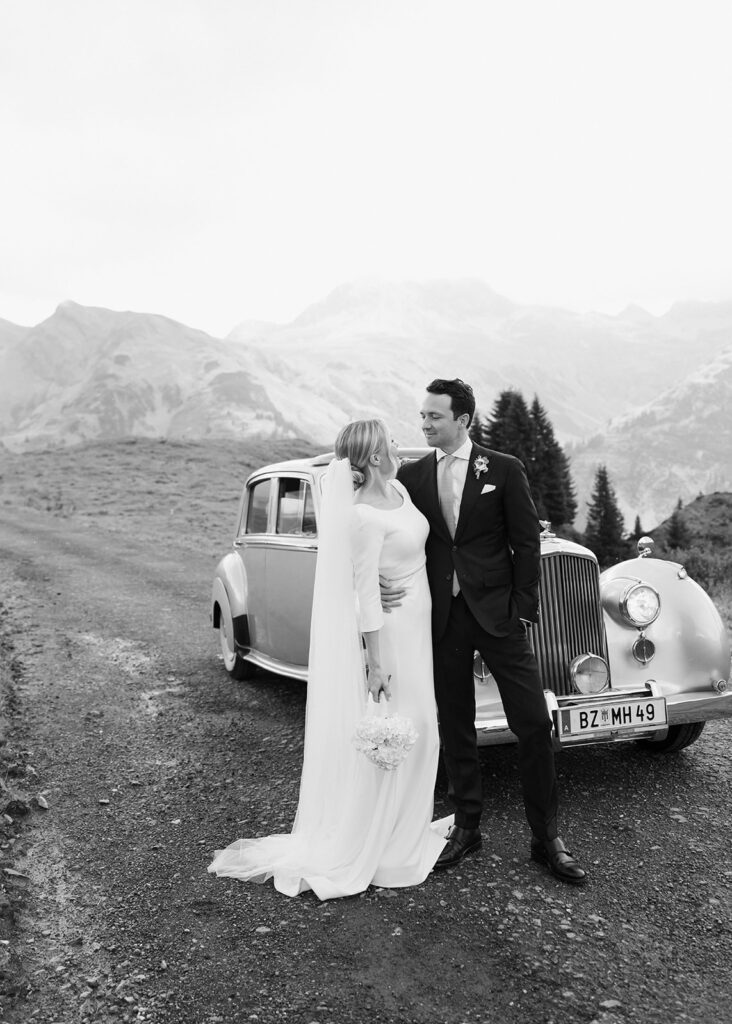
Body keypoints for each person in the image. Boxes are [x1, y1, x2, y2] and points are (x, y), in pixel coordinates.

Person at [208, 419, 447, 899]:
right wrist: (375, 663)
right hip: (393, 636)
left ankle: (406, 829)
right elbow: (364, 592)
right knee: (403, 728)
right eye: (390, 443)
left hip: (420, 625)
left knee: (427, 728)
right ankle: (381, 845)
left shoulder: (399, 489)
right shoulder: (360, 515)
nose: (399, 446)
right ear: (375, 456)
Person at [392, 378, 586, 885]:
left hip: (501, 616)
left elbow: (526, 542)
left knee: (532, 724)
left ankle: (546, 838)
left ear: (463, 420)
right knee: (455, 724)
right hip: (444, 617)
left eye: (434, 416)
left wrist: (523, 607)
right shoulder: (412, 477)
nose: (425, 424)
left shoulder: (503, 469)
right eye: (423, 415)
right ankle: (466, 827)